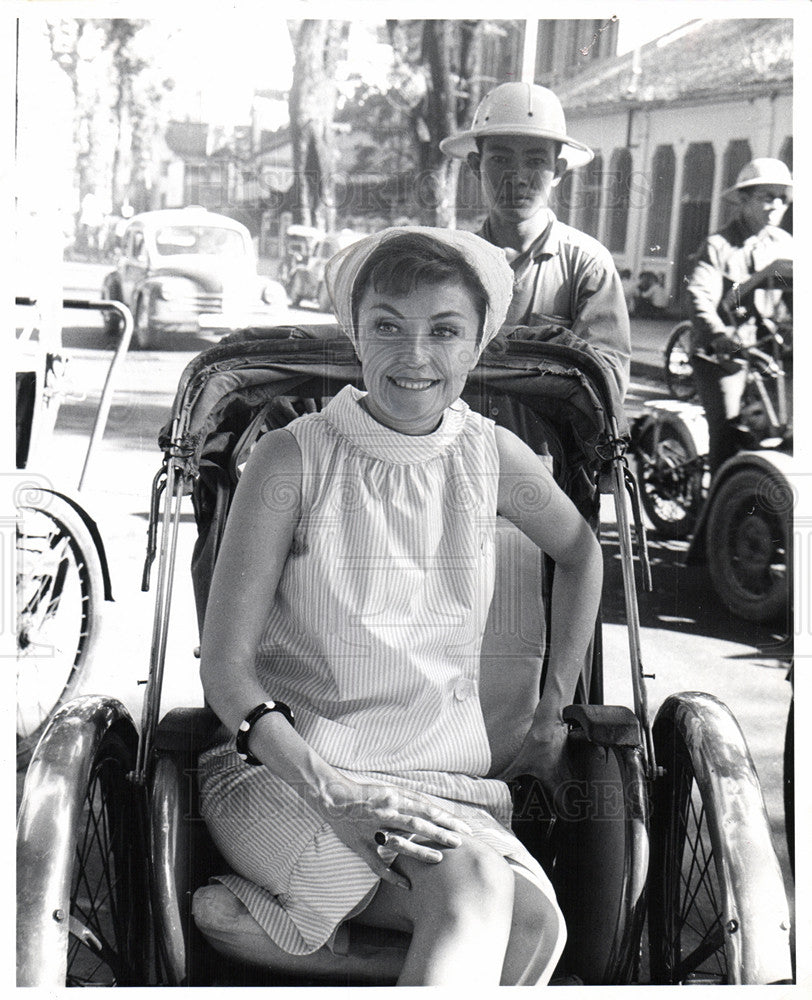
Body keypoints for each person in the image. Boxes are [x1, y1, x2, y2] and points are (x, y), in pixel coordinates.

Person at [197, 227, 603, 986]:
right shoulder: (293, 457)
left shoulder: (490, 456)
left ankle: (283, 934)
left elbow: (582, 552)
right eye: (388, 325)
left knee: (525, 920)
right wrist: (337, 793)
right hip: (292, 774)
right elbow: (225, 671)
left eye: (444, 331)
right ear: (356, 332)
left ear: (477, 345)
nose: (414, 357)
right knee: (482, 900)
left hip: (443, 783)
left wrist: (551, 711)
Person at [440, 81, 631, 403]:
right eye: (500, 159)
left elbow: (607, 378)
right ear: (476, 166)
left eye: (535, 161)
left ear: (557, 171)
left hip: (550, 450)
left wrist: (498, 348)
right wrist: (549, 353)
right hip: (458, 445)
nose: (517, 176)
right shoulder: (451, 262)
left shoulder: (586, 265)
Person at [686, 158, 793, 474]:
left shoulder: (786, 245)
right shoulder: (718, 245)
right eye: (767, 197)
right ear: (744, 200)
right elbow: (699, 296)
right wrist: (718, 334)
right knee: (728, 430)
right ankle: (717, 516)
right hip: (723, 355)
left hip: (768, 351)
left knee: (783, 428)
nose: (775, 205)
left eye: (781, 198)